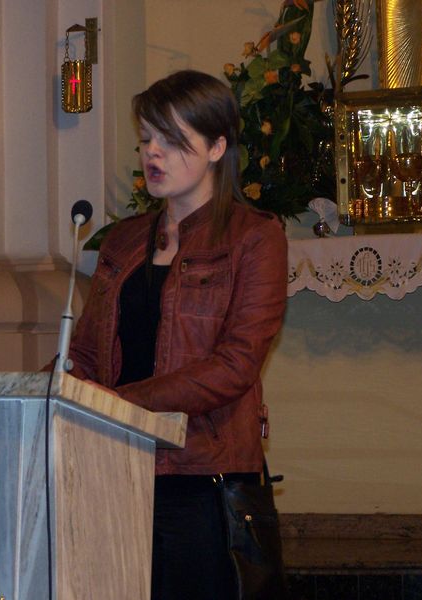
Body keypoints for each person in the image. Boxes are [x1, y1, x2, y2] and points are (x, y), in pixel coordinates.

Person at [64, 69, 288, 600]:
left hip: (203, 475)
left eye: (171, 139)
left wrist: (119, 403)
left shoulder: (255, 237)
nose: (153, 153)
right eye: (146, 139)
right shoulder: (122, 241)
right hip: (117, 468)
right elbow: (86, 353)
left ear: (216, 147)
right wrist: (52, 391)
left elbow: (235, 366)